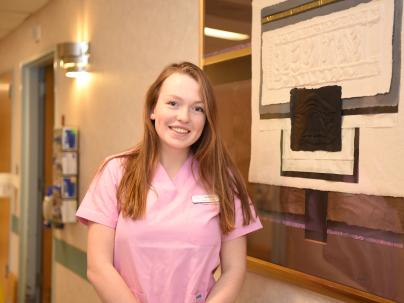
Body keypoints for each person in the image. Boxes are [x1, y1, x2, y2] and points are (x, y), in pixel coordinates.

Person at [76, 62, 262, 303]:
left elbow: (235, 269)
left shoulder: (223, 180)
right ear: (153, 109)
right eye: (173, 103)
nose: (184, 117)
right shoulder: (116, 172)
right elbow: (98, 267)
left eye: (198, 109)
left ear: (207, 119)